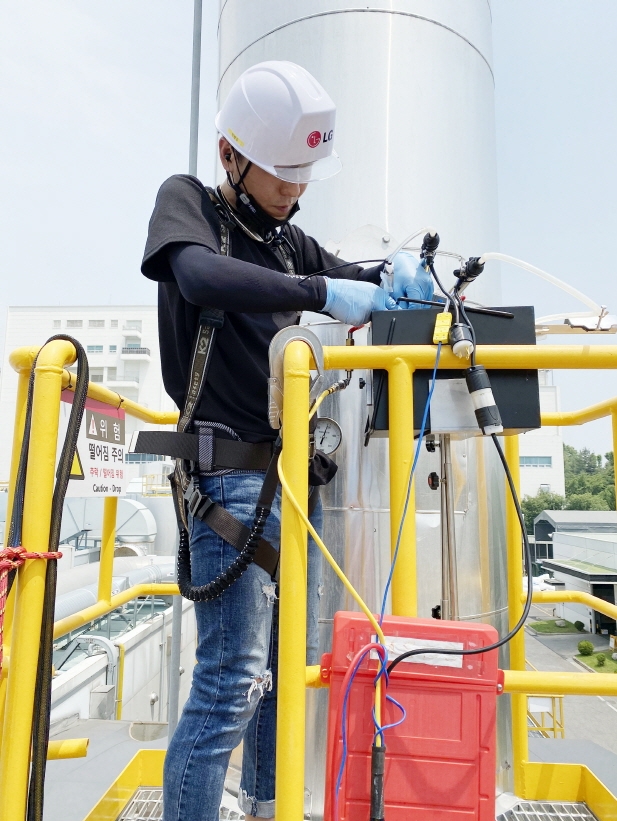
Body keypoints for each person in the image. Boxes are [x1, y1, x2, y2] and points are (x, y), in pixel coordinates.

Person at [141, 60, 432, 821]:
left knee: (279, 668)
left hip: (286, 483)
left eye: (303, 177)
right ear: (231, 155)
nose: (292, 191)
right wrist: (322, 292)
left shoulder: (290, 241)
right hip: (226, 481)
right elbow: (200, 277)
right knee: (230, 680)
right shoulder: (189, 206)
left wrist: (396, 275)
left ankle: (267, 805)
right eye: (279, 175)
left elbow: (346, 273)